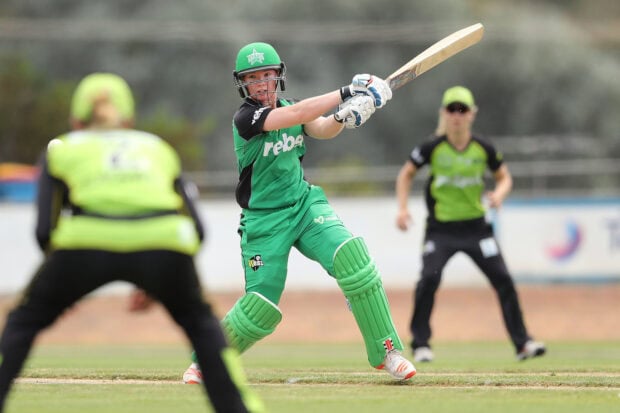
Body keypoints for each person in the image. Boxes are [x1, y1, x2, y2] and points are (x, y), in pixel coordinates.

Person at [0, 73, 265, 413]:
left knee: (23, 321)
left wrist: (63, 282)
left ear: (76, 120)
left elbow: (43, 230)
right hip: (164, 244)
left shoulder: (63, 149)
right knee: (201, 325)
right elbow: (197, 228)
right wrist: (158, 282)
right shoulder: (157, 148)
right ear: (129, 120)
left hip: (85, 243)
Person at [183, 42, 416, 384]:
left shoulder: (292, 107)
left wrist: (346, 115)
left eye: (267, 75)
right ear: (242, 84)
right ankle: (207, 360)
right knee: (260, 307)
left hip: (305, 206)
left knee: (354, 261)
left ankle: (388, 352)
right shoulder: (246, 119)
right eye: (253, 78)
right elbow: (296, 116)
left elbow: (319, 127)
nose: (261, 83)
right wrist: (348, 91)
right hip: (264, 222)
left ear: (278, 77)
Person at [394, 85, 546, 363]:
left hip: (477, 229)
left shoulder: (483, 148)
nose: (456, 115)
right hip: (441, 230)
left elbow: (505, 177)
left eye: (462, 109)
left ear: (472, 114)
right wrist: (402, 209)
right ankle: (420, 344)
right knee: (429, 279)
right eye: (451, 109)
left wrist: (499, 195)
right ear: (443, 113)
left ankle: (523, 343)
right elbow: (405, 175)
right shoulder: (432, 147)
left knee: (504, 281)